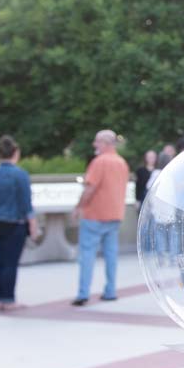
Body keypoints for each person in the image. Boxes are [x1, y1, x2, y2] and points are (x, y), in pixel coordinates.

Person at [72, 129, 130, 306]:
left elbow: (89, 189)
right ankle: (110, 291)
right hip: (115, 215)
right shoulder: (122, 163)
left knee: (87, 254)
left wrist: (78, 207)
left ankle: (83, 293)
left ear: (105, 143)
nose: (94, 144)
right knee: (111, 255)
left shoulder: (99, 162)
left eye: (97, 141)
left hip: (95, 215)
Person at [0, 136, 38, 311]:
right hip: (13, 224)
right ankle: (9, 299)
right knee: (10, 263)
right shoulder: (20, 175)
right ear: (16, 153)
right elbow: (26, 203)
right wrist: (32, 224)